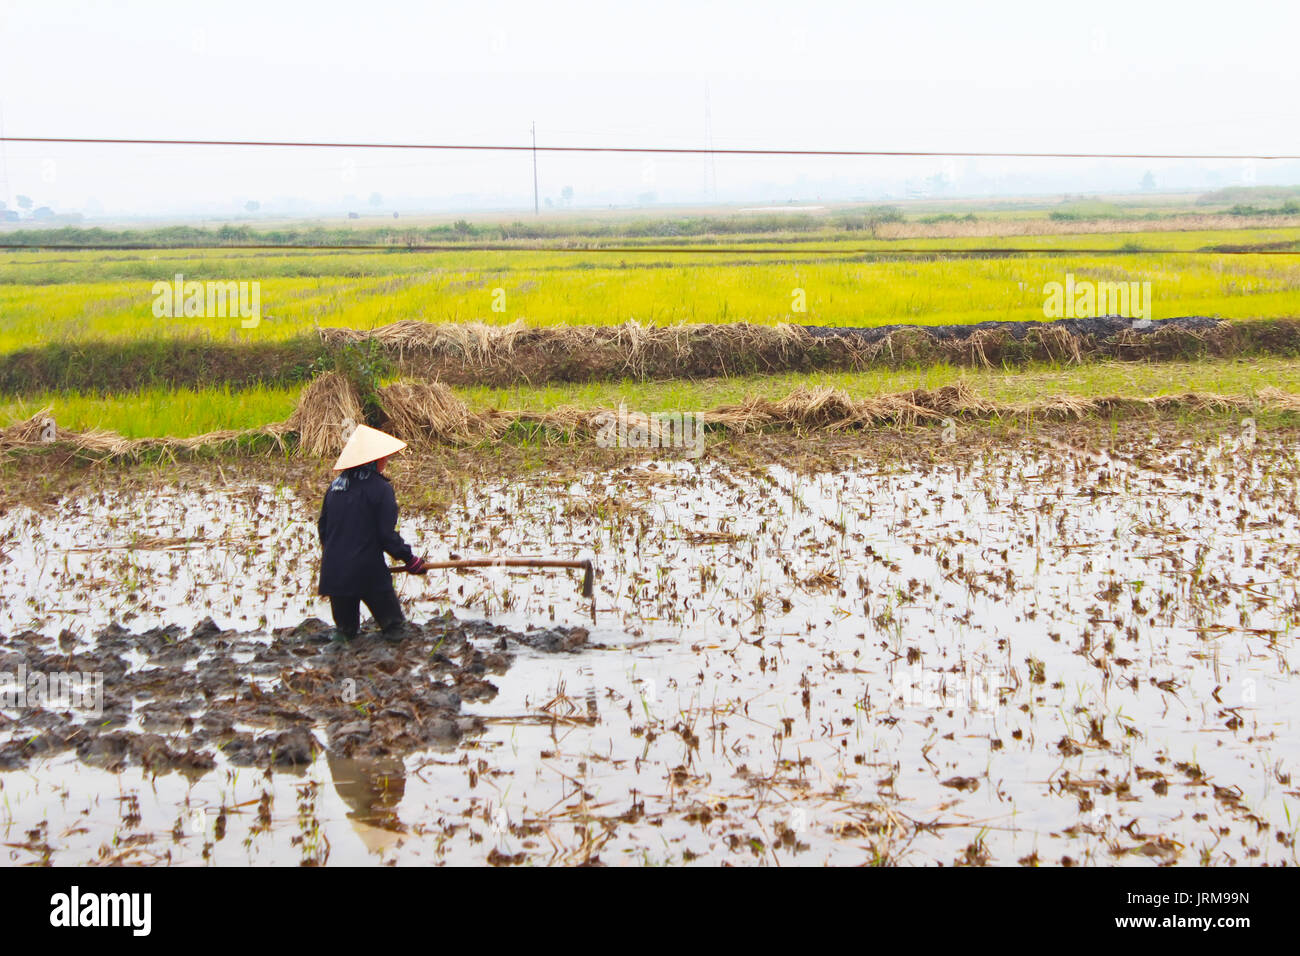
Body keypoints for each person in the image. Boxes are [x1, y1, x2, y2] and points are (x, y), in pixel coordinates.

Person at [317, 424, 428, 642]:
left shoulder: (335, 488)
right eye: (383, 458)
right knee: (395, 629)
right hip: (368, 573)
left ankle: (334, 669)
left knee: (345, 634)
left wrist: (340, 554)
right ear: (373, 461)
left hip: (335, 573)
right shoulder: (380, 489)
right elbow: (386, 535)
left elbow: (323, 530)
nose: (386, 462)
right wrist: (410, 559)